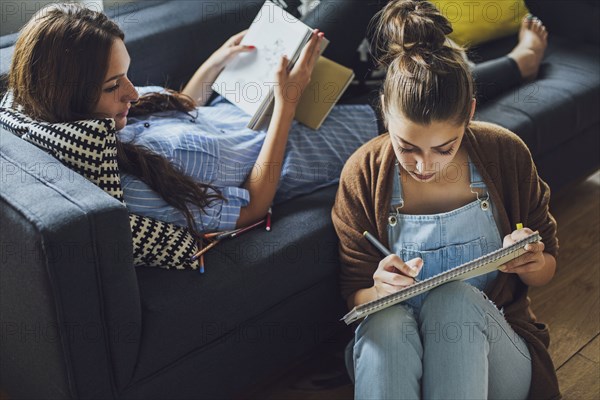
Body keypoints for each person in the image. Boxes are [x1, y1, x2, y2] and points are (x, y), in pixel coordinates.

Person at [331, 1, 559, 399]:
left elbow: (547, 269)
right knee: (384, 320)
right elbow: (356, 293)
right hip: (400, 348)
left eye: (444, 148)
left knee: (451, 301)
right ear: (384, 110)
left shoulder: (505, 154)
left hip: (495, 350)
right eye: (407, 148)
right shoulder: (363, 172)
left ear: (469, 113)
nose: (424, 166)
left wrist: (532, 262)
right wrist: (378, 289)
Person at [6, 3, 378, 240]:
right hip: (303, 140)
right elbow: (252, 208)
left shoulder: (104, 116)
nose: (133, 93)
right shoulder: (132, 190)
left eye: (127, 75)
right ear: (69, 98)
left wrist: (219, 60)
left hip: (253, 96)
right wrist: (287, 103)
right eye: (113, 85)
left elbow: (181, 107)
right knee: (422, 91)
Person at [303, 0, 548, 112]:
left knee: (411, 98)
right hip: (298, 102)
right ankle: (520, 64)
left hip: (371, 91)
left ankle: (519, 64)